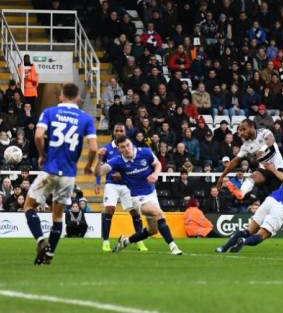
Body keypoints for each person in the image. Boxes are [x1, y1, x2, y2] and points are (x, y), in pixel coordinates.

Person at [25, 82, 97, 265]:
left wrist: (42, 155)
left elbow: (39, 135)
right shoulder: (86, 118)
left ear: (61, 97)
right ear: (79, 99)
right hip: (69, 174)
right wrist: (89, 165)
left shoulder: (50, 112)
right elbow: (94, 148)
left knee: (29, 206)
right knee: (57, 216)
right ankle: (50, 255)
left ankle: (41, 241)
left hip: (49, 168)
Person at [216, 119, 283, 248]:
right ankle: (241, 192)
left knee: (280, 204)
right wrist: (222, 175)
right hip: (265, 170)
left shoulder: (263, 132)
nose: (241, 132)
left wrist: (264, 148)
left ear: (252, 128)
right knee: (253, 176)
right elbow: (234, 162)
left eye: (244, 129)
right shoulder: (245, 146)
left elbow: (271, 140)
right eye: (239, 130)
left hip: (278, 170)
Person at [95, 135, 183, 255]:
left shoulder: (145, 152)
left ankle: (126, 241)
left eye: (127, 145)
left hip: (152, 193)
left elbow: (157, 164)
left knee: (153, 230)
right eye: (122, 147)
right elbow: (98, 172)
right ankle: (173, 247)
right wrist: (99, 158)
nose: (126, 148)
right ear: (119, 149)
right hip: (137, 197)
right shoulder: (117, 160)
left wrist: (155, 175)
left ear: (131, 143)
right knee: (159, 213)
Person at [217, 163, 283, 253]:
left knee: (249, 230)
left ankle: (223, 248)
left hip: (271, 199)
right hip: (282, 210)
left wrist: (273, 170)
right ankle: (244, 241)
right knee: (262, 235)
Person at [96, 123, 148, 252]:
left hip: (127, 184)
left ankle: (140, 242)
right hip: (111, 184)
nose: (119, 132)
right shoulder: (106, 149)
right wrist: (97, 183)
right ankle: (106, 242)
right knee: (109, 210)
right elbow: (101, 168)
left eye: (121, 130)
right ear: (113, 132)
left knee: (134, 212)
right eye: (116, 130)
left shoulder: (130, 148)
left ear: (125, 133)